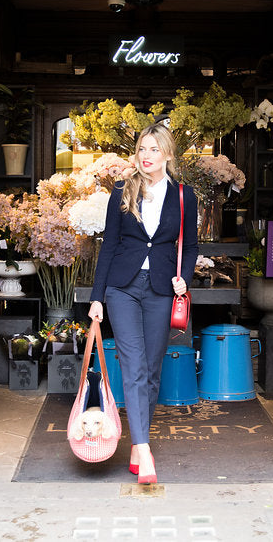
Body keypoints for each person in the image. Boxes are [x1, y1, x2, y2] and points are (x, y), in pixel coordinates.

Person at [87, 123, 198, 484]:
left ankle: (138, 443)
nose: (146, 156)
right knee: (133, 365)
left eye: (153, 149)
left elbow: (191, 244)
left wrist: (185, 277)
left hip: (162, 289)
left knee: (152, 370)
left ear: (167, 154)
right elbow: (108, 246)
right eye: (141, 149)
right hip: (122, 288)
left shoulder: (184, 195)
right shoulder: (122, 190)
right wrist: (96, 297)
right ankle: (144, 449)